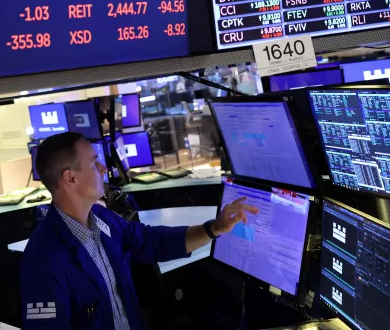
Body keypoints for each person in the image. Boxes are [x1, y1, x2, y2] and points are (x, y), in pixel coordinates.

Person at [20, 132, 259, 329]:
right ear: (70, 178)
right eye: (94, 163)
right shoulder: (43, 259)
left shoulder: (102, 219)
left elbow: (152, 241)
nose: (103, 169)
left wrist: (215, 227)